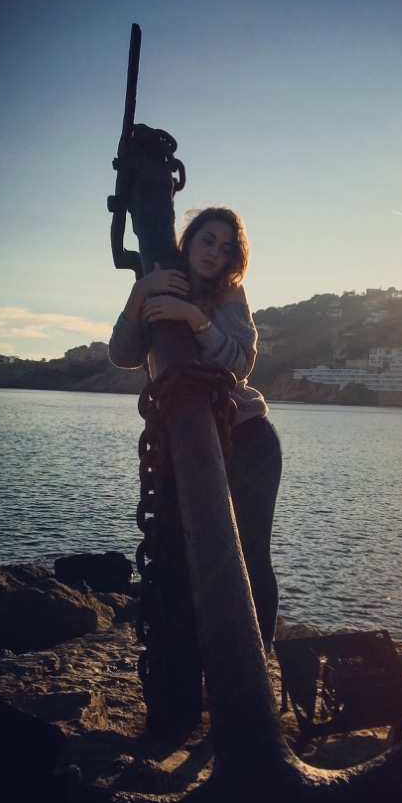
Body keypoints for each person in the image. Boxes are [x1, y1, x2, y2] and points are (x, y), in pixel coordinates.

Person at [109, 206, 282, 649]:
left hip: (247, 437)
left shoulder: (229, 294)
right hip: (186, 442)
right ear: (189, 241)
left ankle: (258, 655)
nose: (213, 253)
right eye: (207, 240)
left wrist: (194, 318)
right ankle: (193, 656)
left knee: (251, 554)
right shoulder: (159, 284)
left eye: (225, 248)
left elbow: (239, 364)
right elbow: (123, 354)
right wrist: (140, 292)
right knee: (182, 555)